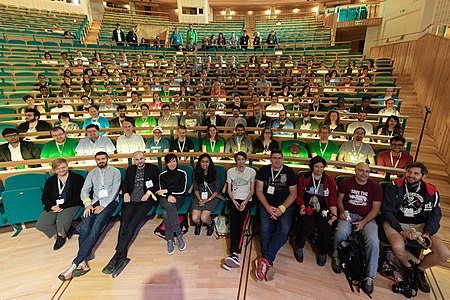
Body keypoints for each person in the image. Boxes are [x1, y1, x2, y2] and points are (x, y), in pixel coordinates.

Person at [382, 162, 450, 293]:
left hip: (421, 225)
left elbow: (435, 216)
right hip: (396, 222)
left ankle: (419, 269)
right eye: (409, 172)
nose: (411, 175)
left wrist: (427, 233)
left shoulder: (431, 191)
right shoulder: (394, 186)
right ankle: (408, 268)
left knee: (444, 253)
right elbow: (388, 211)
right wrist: (401, 231)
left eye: (416, 173)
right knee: (397, 247)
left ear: (423, 175)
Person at [58, 152, 121, 281]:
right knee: (85, 226)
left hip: (110, 202)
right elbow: (84, 190)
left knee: (96, 226)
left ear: (107, 159)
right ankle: (83, 262)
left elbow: (114, 191)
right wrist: (87, 204)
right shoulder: (92, 173)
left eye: (103, 159)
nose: (101, 161)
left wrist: (103, 205)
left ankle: (76, 262)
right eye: (98, 159)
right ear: (96, 161)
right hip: (94, 202)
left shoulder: (115, 172)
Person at [102, 151, 161, 275]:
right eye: (137, 160)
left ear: (145, 158)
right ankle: (121, 255)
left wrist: (149, 193)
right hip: (130, 200)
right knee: (124, 225)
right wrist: (126, 193)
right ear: (134, 160)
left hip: (145, 200)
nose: (139, 161)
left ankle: (116, 256)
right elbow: (126, 184)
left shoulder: (153, 169)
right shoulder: (130, 169)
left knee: (133, 224)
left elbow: (157, 184)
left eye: (141, 159)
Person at [332, 162, 382, 296]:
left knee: (373, 241)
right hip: (349, 214)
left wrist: (363, 222)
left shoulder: (375, 187)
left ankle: (369, 276)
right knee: (341, 232)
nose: (364, 173)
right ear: (355, 170)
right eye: (361, 170)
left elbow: (376, 209)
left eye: (367, 171)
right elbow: (339, 200)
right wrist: (342, 211)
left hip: (367, 218)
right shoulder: (346, 182)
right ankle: (336, 257)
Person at [254, 150, 297, 282]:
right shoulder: (263, 171)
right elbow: (259, 191)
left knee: (283, 229)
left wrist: (281, 209)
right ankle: (268, 262)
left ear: (283, 159)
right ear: (270, 159)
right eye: (274, 158)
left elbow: (293, 194)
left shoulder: (289, 172)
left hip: (284, 206)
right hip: (267, 204)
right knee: (265, 228)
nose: (277, 160)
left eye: (280, 158)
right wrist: (268, 207)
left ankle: (264, 260)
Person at [294, 156, 337, 265]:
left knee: (325, 226)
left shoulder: (329, 179)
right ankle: (299, 246)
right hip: (307, 206)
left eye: (322, 167)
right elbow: (299, 196)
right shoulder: (305, 177)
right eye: (317, 167)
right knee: (308, 224)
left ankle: (322, 252)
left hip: (323, 208)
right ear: (312, 167)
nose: (319, 169)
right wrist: (302, 206)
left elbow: (332, 199)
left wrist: (334, 214)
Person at [36, 158, 84, 250]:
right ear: (54, 170)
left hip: (72, 204)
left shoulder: (77, 178)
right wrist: (51, 207)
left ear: (67, 166)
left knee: (61, 221)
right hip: (55, 205)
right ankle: (67, 230)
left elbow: (79, 196)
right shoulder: (50, 180)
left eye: (63, 167)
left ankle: (61, 237)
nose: (61, 170)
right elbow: (45, 197)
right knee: (41, 224)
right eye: (58, 168)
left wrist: (63, 206)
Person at [222, 152, 256, 270]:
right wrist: (234, 201)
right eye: (238, 159)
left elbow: (252, 190)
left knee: (241, 225)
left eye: (242, 159)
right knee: (233, 224)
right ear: (235, 161)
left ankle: (234, 253)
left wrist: (245, 201)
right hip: (234, 199)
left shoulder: (251, 172)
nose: (240, 161)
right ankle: (234, 254)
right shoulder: (230, 172)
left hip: (246, 200)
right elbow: (230, 190)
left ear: (245, 160)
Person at [156, 153, 187, 255]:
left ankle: (170, 238)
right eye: (169, 162)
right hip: (165, 198)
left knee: (165, 213)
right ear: (166, 163)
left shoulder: (182, 173)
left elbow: (182, 190)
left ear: (177, 162)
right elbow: (161, 192)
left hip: (178, 197)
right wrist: (168, 195)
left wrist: (169, 192)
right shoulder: (162, 175)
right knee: (168, 205)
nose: (172, 164)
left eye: (174, 161)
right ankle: (179, 235)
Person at [192, 154, 221, 236]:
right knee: (194, 218)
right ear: (200, 163)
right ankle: (198, 224)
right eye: (203, 162)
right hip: (199, 196)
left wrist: (207, 200)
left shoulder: (214, 172)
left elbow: (217, 190)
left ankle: (210, 224)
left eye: (207, 162)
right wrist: (200, 199)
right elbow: (196, 188)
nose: (205, 164)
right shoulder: (196, 172)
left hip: (212, 197)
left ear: (210, 163)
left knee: (204, 218)